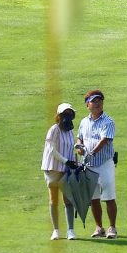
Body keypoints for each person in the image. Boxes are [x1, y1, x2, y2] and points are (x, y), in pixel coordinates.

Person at [77, 89, 118, 238]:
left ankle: (112, 228)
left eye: (99, 100)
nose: (97, 103)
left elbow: (104, 139)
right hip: (89, 166)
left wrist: (92, 153)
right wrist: (79, 147)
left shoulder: (108, 121)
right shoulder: (84, 122)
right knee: (94, 198)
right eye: (94, 101)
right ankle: (99, 227)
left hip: (104, 164)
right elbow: (80, 137)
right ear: (87, 104)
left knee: (109, 196)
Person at [41, 102, 78, 241]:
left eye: (70, 114)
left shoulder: (70, 132)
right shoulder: (54, 130)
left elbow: (70, 149)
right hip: (53, 169)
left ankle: (70, 230)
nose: (67, 116)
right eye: (65, 114)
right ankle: (56, 230)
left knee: (68, 200)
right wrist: (65, 161)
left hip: (66, 170)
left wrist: (73, 162)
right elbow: (52, 150)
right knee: (53, 200)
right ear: (59, 115)